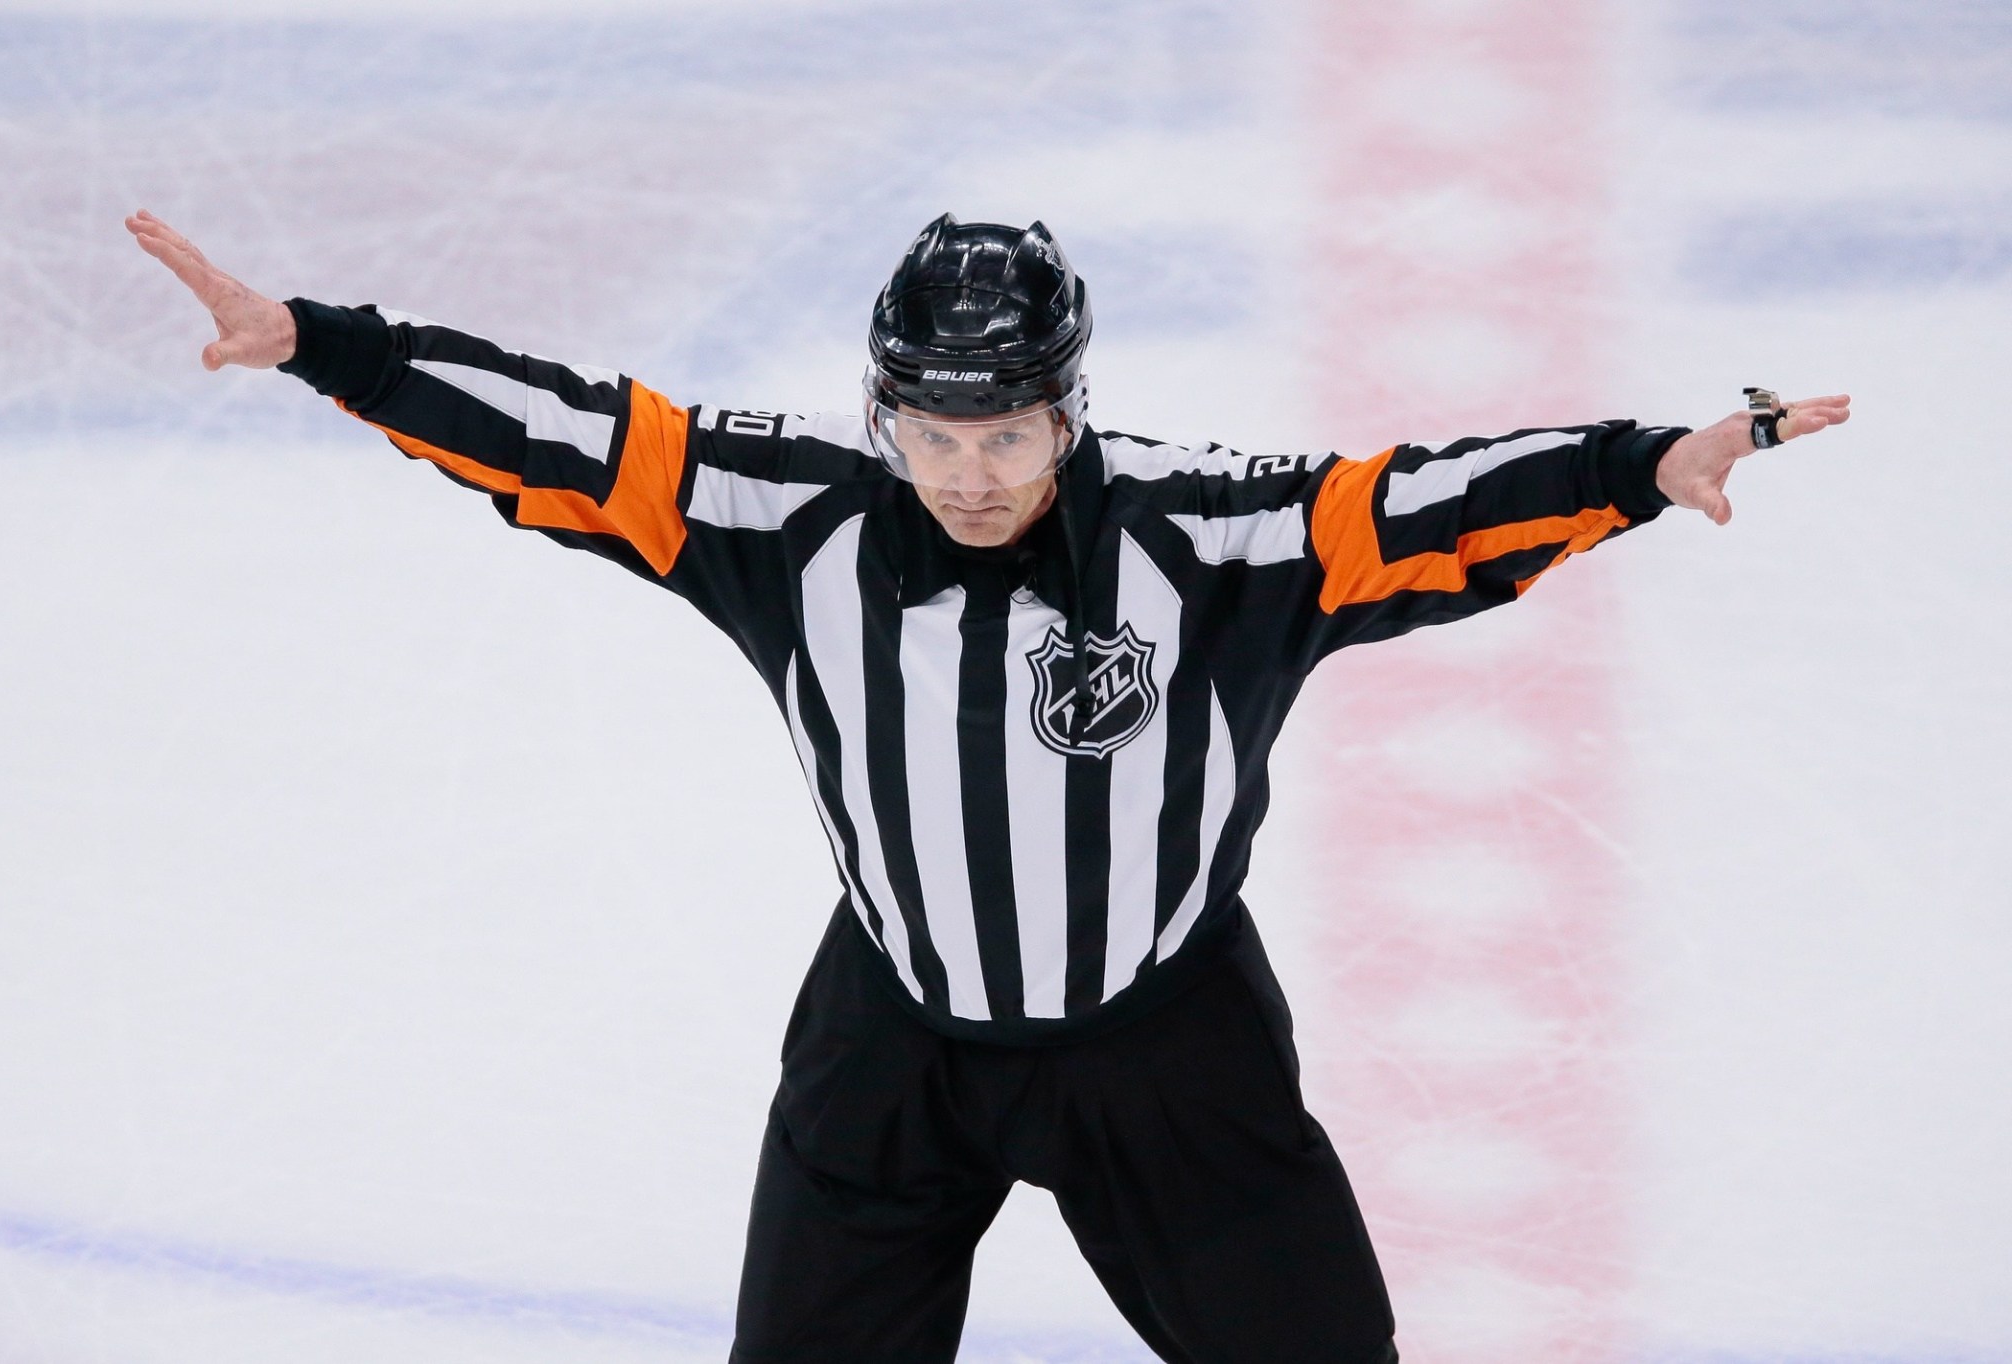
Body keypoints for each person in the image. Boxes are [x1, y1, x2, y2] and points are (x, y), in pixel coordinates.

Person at [125, 207, 1848, 1364]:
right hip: (892, 1044)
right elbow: (560, 437)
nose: (968, 474)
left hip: (1169, 1052)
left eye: (1006, 437)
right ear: (885, 414)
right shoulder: (788, 517)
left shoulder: (1212, 534)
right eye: (934, 436)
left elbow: (1425, 508)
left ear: (1067, 414)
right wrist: (325, 345)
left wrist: (1639, 463)